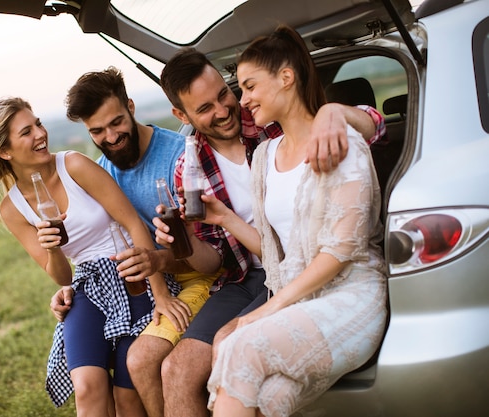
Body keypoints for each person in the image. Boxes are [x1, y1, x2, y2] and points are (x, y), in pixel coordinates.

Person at [152, 47, 385, 417]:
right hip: (249, 272)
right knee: (177, 369)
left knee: (233, 343)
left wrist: (334, 111)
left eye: (226, 93)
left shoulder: (269, 122)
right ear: (181, 115)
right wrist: (187, 241)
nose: (229, 107)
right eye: (205, 108)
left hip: (308, 277)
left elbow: (370, 126)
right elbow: (218, 260)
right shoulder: (192, 167)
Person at [0, 97, 173, 416]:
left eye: (38, 124)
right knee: (87, 388)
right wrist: (51, 247)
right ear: (5, 151)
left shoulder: (74, 165)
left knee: (127, 398)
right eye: (27, 131)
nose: (40, 134)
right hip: (88, 286)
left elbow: (133, 223)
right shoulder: (12, 209)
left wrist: (159, 293)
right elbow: (63, 277)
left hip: (133, 273)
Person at [50, 67, 221, 417]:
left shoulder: (178, 158)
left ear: (130, 106)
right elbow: (99, 247)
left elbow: (215, 254)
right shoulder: (100, 173)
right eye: (97, 131)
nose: (111, 137)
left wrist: (161, 277)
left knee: (139, 359)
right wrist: (70, 288)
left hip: (199, 279)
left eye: (116, 123)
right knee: (100, 372)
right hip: (142, 288)